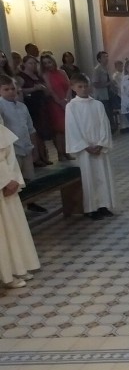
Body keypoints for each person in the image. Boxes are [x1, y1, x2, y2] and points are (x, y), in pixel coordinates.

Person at [65, 73, 117, 220]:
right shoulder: (71, 107)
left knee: (102, 176)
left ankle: (103, 205)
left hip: (99, 147)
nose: (83, 89)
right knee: (89, 178)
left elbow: (104, 125)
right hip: (85, 150)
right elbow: (72, 127)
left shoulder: (97, 104)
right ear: (73, 88)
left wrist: (101, 144)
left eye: (85, 85)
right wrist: (86, 146)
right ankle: (91, 209)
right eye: (79, 86)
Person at [0, 114, 40, 290]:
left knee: (13, 229)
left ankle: (17, 268)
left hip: (9, 185)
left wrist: (15, 178)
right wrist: (4, 181)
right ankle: (6, 276)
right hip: (2, 183)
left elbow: (10, 157)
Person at [0, 75, 47, 214]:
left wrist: (34, 148)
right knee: (15, 178)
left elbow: (30, 128)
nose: (11, 92)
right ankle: (16, 207)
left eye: (13, 89)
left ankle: (31, 202)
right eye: (6, 89)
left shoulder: (22, 106)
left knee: (28, 178)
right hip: (12, 149)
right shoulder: (1, 106)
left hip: (26, 146)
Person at [16, 56, 51, 166]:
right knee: (34, 132)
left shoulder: (37, 75)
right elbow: (19, 91)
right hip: (30, 105)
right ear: (24, 64)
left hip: (41, 104)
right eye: (30, 63)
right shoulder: (21, 77)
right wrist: (34, 89)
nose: (33, 65)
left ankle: (43, 155)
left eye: (34, 63)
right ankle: (36, 157)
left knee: (42, 131)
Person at [40, 53, 73, 161]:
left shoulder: (62, 72)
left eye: (49, 62)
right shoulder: (46, 75)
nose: (48, 65)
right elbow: (50, 90)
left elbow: (69, 86)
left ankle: (67, 152)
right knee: (59, 130)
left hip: (66, 101)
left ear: (53, 61)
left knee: (67, 129)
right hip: (55, 104)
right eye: (45, 63)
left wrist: (67, 99)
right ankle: (60, 153)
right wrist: (59, 102)